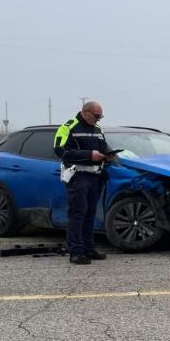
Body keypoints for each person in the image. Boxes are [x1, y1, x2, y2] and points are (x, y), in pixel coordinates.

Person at [53, 101, 114, 264]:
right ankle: (76, 252)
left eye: (101, 116)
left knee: (90, 213)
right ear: (86, 112)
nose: (99, 119)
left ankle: (89, 248)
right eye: (96, 116)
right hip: (78, 176)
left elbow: (103, 148)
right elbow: (60, 150)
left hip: (95, 177)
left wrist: (108, 155)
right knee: (78, 214)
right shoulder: (68, 127)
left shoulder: (98, 129)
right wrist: (89, 154)